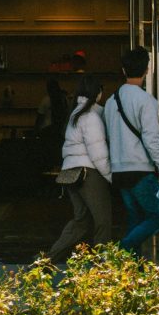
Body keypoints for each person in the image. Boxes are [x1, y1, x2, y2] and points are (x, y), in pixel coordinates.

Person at [103, 47, 159, 255]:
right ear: (147, 70)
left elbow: (109, 136)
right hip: (140, 170)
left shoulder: (110, 101)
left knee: (135, 219)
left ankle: (132, 267)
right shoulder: (146, 100)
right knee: (156, 218)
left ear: (123, 70)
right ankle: (120, 251)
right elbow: (152, 140)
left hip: (118, 170)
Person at [46, 74, 112, 266]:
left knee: (81, 221)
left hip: (71, 173)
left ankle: (48, 260)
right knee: (103, 220)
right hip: (88, 173)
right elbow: (98, 153)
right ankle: (102, 265)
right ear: (98, 93)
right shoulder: (91, 117)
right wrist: (110, 175)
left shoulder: (75, 113)